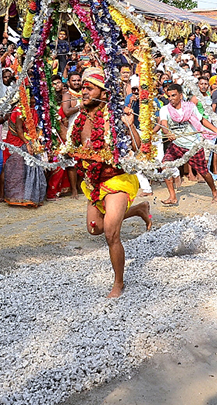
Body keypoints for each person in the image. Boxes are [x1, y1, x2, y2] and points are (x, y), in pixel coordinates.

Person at [63, 67, 151, 298]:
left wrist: (130, 124)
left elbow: (137, 146)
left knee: (111, 233)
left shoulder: (113, 118)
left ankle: (118, 283)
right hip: (94, 182)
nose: (83, 91)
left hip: (117, 179)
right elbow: (72, 148)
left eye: (89, 88)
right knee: (96, 229)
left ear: (103, 93)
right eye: (82, 87)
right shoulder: (80, 119)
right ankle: (140, 209)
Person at [158, 83, 217, 204]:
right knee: (165, 166)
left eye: (173, 95)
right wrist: (168, 133)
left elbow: (202, 120)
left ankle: (214, 191)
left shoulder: (190, 107)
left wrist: (216, 130)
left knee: (204, 173)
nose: (171, 98)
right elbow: (164, 125)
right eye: (169, 96)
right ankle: (172, 196)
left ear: (180, 95)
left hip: (193, 146)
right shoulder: (165, 109)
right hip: (176, 145)